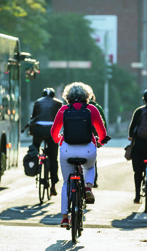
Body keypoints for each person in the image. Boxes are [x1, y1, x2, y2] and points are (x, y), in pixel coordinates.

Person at [50, 82, 107, 227]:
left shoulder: (63, 110)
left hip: (67, 150)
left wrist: (59, 141)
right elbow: (102, 133)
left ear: (67, 97)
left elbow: (53, 132)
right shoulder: (92, 109)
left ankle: (64, 217)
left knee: (66, 184)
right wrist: (101, 141)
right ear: (86, 96)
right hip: (87, 149)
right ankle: (88, 187)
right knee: (89, 167)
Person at [30, 87, 63, 196]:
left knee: (34, 149)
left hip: (38, 129)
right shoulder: (58, 103)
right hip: (52, 131)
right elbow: (61, 119)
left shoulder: (37, 102)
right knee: (53, 158)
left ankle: (34, 166)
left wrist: (32, 132)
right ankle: (53, 186)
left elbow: (33, 118)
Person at [88, 92, 107, 188]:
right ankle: (93, 181)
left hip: (73, 137)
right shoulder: (97, 108)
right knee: (91, 158)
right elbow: (103, 124)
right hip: (92, 136)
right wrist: (102, 139)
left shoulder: (73, 107)